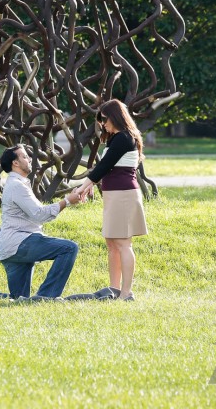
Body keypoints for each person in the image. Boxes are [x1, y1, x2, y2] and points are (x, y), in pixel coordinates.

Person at [0, 144, 83, 302]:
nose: (29, 159)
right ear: (15, 163)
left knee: (19, 299)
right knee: (69, 248)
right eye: (24, 157)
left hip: (10, 247)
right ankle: (45, 298)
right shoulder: (17, 186)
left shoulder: (17, 184)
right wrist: (67, 201)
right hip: (20, 242)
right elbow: (39, 214)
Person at [74, 99, 148, 301]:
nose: (102, 124)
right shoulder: (115, 138)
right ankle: (114, 289)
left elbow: (104, 166)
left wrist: (82, 187)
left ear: (115, 117)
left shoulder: (125, 138)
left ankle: (126, 293)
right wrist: (89, 186)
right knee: (112, 243)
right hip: (114, 194)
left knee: (124, 244)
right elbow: (107, 169)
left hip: (123, 195)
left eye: (104, 119)